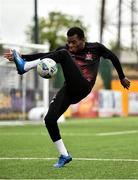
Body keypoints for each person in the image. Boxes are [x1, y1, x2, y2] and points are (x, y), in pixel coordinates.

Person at [4, 27, 130, 168]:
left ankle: (24, 67)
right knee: (49, 119)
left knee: (62, 54)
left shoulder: (95, 48)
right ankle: (64, 155)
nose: (70, 45)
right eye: (68, 42)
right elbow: (45, 55)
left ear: (83, 40)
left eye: (74, 42)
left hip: (83, 86)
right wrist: (21, 56)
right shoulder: (65, 50)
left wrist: (122, 77)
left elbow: (113, 57)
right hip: (69, 89)